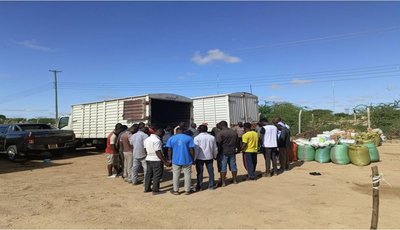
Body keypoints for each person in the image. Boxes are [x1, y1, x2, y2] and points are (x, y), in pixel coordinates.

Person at [166, 127, 195, 195]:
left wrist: (170, 159)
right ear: (183, 131)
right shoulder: (189, 138)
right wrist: (193, 159)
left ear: (176, 131)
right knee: (187, 174)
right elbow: (191, 149)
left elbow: (169, 150)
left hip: (175, 159)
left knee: (176, 175)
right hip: (187, 159)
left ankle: (176, 190)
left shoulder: (171, 138)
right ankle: (187, 190)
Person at [144, 128, 171, 195]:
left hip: (148, 158)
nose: (162, 136)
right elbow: (158, 152)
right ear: (160, 132)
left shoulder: (147, 139)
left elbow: (145, 150)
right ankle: (155, 190)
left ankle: (147, 188)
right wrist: (165, 162)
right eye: (162, 134)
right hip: (156, 159)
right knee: (157, 175)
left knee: (148, 174)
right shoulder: (157, 140)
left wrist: (148, 155)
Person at [194, 125, 218, 191]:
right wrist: (215, 155)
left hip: (199, 157)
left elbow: (196, 149)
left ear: (199, 130)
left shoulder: (197, 138)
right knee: (210, 171)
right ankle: (211, 185)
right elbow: (215, 148)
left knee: (199, 172)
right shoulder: (212, 137)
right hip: (209, 156)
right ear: (207, 129)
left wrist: (194, 158)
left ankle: (200, 186)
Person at [216, 120, 239, 186]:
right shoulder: (233, 132)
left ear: (221, 125)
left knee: (223, 167)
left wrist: (218, 152)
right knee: (233, 165)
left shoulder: (220, 133)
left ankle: (223, 182)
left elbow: (218, 143)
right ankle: (235, 180)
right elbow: (237, 142)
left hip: (223, 152)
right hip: (232, 151)